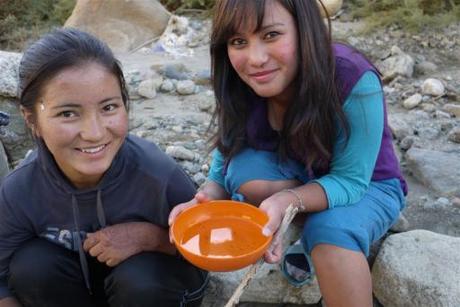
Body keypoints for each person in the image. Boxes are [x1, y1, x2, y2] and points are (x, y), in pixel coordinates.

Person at [169, 0, 407, 306]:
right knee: (242, 175)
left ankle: (315, 238)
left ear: (304, 29)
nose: (255, 59)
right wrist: (202, 201)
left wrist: (287, 201)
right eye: (239, 42)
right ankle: (300, 231)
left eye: (270, 35)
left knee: (331, 231)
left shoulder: (352, 78)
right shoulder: (238, 79)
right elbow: (222, 167)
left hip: (367, 184)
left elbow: (351, 181)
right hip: (297, 170)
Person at [0, 28, 207, 307]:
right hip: (73, 289)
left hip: (149, 290)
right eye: (68, 113)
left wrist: (154, 239)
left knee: (141, 280)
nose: (94, 133)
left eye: (108, 107)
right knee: (32, 267)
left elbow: (207, 245)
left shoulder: (158, 176)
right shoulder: (20, 191)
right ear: (31, 120)